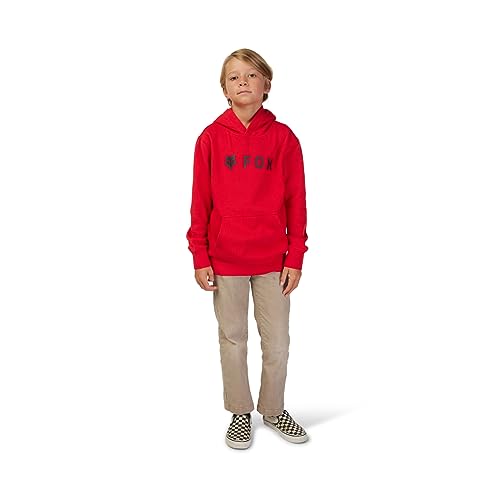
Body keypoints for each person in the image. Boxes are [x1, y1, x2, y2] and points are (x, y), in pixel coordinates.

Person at [186, 48, 309, 449]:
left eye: (252, 75)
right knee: (233, 339)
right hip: (225, 260)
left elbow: (296, 201)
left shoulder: (284, 138)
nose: (243, 81)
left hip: (274, 260)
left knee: (278, 343)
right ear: (224, 88)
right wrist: (200, 254)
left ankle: (273, 409)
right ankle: (240, 411)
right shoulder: (210, 138)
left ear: (266, 85)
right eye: (234, 76)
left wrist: (295, 256)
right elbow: (200, 202)